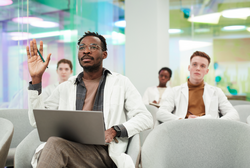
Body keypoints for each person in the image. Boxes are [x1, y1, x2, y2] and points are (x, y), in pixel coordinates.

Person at [26, 31, 153, 168]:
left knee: (55, 145)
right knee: (55, 145)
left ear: (104, 54)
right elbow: (36, 120)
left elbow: (145, 118)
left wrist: (114, 130)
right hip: (71, 147)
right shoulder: (66, 87)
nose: (86, 51)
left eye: (93, 47)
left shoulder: (121, 83)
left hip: (104, 153)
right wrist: (36, 79)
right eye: (82, 47)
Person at [157, 51, 239, 122]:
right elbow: (161, 113)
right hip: (183, 129)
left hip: (209, 130)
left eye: (202, 66)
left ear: (207, 71)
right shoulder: (175, 91)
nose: (198, 68)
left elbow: (234, 115)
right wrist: (181, 120)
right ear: (189, 67)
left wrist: (215, 123)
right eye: (194, 64)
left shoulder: (217, 92)